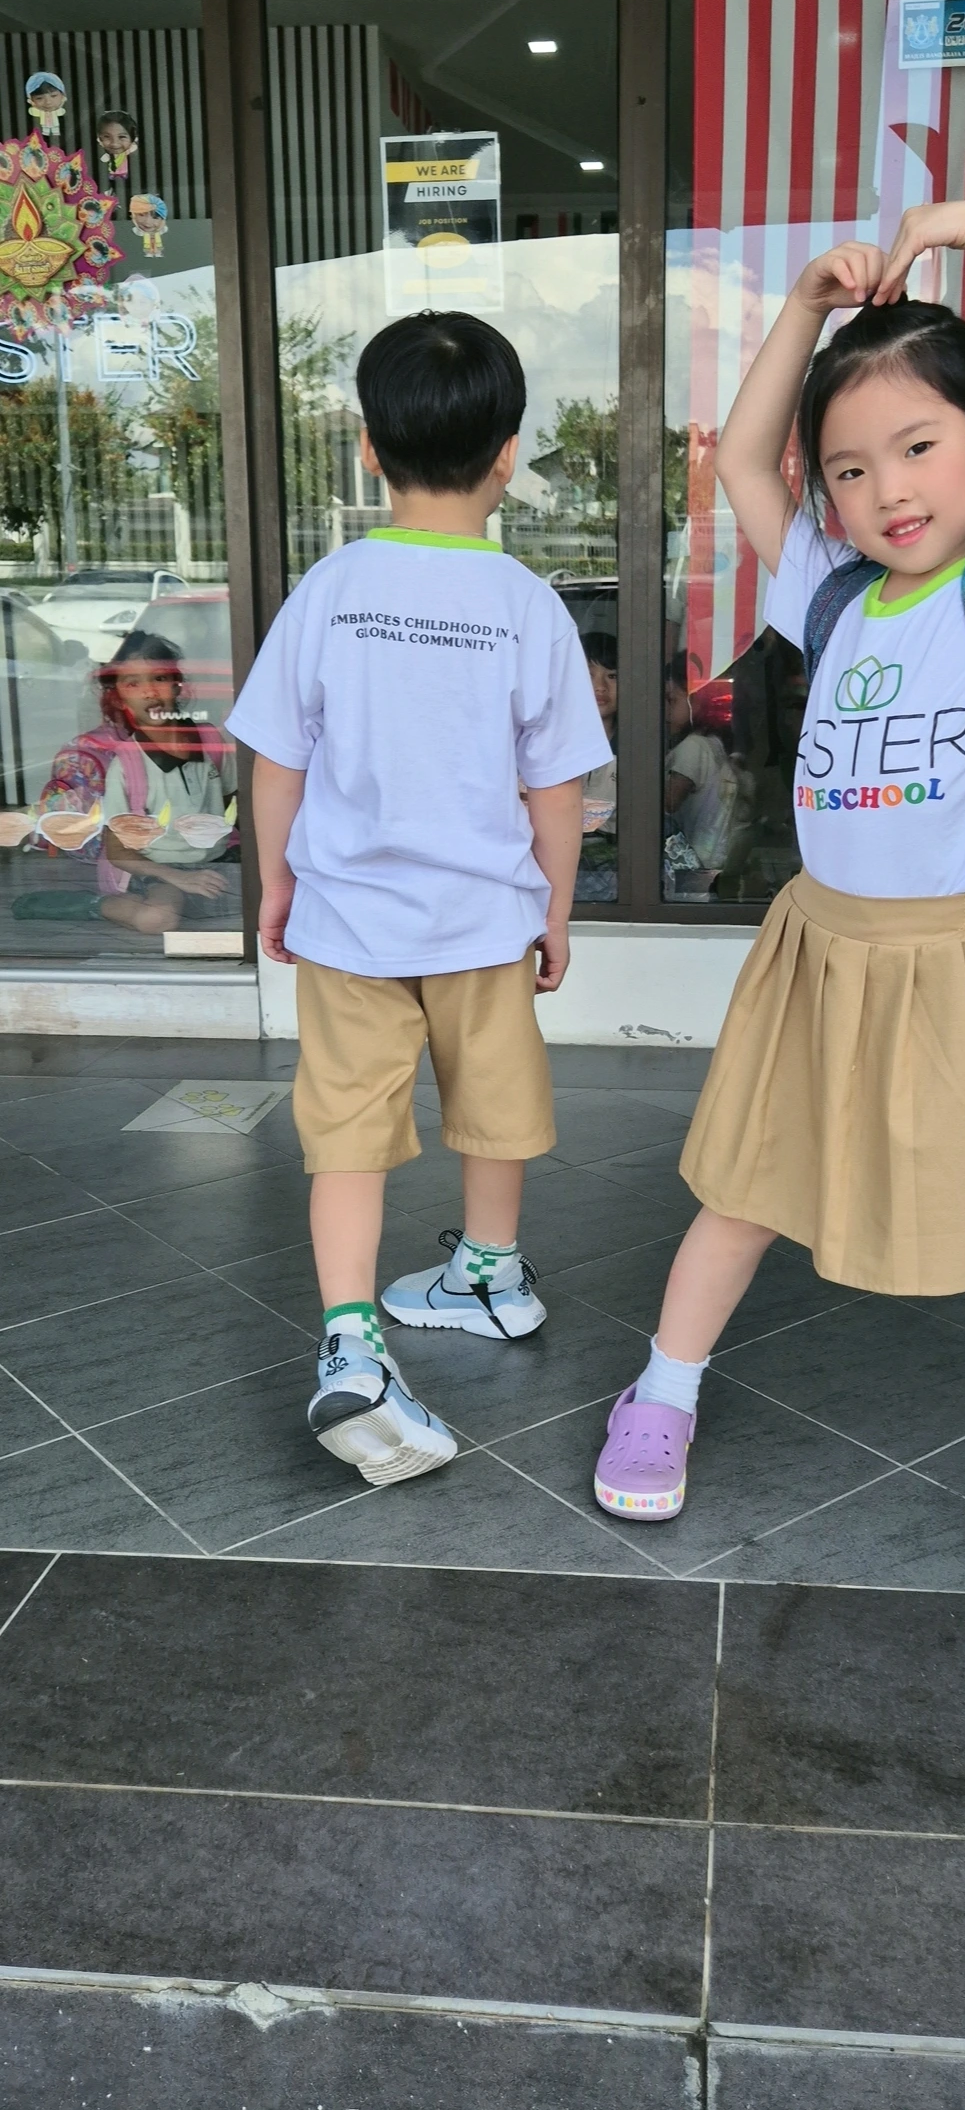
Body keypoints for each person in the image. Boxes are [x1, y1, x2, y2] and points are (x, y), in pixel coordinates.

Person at [594, 199, 965, 1574]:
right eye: (847, 468)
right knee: (744, 1183)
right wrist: (798, 311)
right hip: (817, 950)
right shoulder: (828, 596)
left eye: (916, 446)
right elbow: (738, 460)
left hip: (961, 955)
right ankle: (660, 1392)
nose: (885, 489)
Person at [226, 310, 611, 1491]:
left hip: (350, 922)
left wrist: (275, 882)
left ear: (366, 447)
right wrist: (554, 909)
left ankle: (352, 1338)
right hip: (484, 922)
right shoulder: (527, 603)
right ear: (508, 453)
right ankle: (489, 1274)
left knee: (344, 1130)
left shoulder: (330, 590)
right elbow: (555, 785)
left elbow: (277, 761)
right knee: (491, 1100)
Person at [11, 632, 235, 935]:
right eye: (133, 684)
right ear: (118, 696)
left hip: (214, 862)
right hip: (155, 869)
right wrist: (178, 877)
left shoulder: (210, 742)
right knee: (157, 919)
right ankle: (89, 904)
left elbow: (231, 804)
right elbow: (117, 850)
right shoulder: (128, 764)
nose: (149, 692)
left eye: (159, 678)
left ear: (177, 684)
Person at [663, 654, 739, 895]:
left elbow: (668, 803)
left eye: (671, 700)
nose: (664, 710)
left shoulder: (693, 748)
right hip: (714, 859)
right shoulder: (713, 743)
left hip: (694, 865)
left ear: (696, 702)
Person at [575, 630, 617, 901]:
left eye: (612, 676)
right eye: (588, 675)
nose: (600, 687)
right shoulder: (551, 746)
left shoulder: (640, 750)